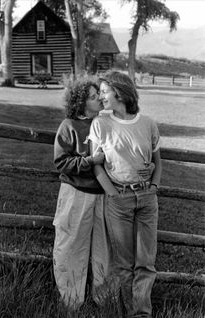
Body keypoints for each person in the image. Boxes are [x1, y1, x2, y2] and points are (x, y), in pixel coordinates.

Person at [88, 70, 162, 318]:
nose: (101, 97)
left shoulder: (148, 123)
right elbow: (96, 164)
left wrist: (153, 187)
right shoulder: (100, 124)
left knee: (145, 263)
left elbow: (157, 162)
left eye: (105, 92)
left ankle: (141, 314)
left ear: (119, 92)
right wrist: (113, 194)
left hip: (147, 200)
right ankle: (127, 311)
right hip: (119, 200)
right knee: (123, 264)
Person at [52, 78, 110, 310]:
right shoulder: (69, 125)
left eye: (99, 94)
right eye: (94, 96)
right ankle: (71, 301)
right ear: (82, 102)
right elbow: (61, 162)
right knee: (71, 246)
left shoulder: (107, 123)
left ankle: (106, 301)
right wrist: (89, 161)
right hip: (76, 194)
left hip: (104, 195)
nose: (100, 99)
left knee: (105, 248)